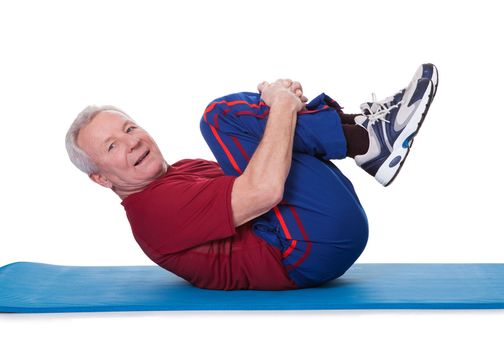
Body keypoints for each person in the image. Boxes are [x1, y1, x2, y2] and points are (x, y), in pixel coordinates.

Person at [65, 64, 438, 290]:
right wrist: (279, 107)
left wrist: (279, 109)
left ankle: (366, 136)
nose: (130, 143)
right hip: (305, 251)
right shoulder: (152, 210)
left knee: (253, 122)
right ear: (101, 178)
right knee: (220, 116)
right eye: (112, 147)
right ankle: (366, 139)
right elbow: (264, 190)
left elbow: (270, 163)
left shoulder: (183, 171)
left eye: (130, 129)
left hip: (319, 237)